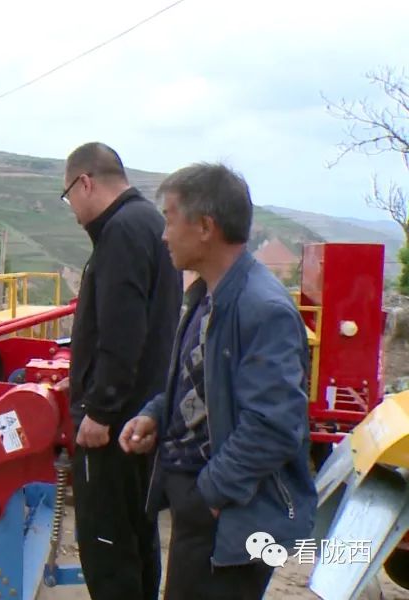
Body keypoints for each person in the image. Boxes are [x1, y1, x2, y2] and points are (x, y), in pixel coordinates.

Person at [119, 162, 317, 599]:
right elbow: (204, 384)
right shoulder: (208, 295)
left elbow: (274, 425)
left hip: (229, 515)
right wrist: (156, 413)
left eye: (170, 219)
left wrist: (208, 496)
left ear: (205, 226)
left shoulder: (262, 309)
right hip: (206, 509)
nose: (164, 234)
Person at [59, 142, 182, 600]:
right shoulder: (150, 224)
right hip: (142, 418)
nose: (72, 209)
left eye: (68, 195)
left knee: (108, 547)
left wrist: (100, 411)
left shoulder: (121, 233)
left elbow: (122, 331)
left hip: (115, 426)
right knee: (137, 538)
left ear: (85, 182)